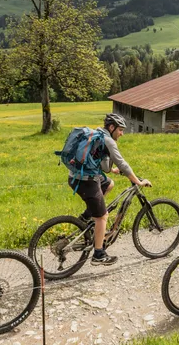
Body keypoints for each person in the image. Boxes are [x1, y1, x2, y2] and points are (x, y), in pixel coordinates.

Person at [69, 113, 152, 266]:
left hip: (76, 177)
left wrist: (112, 171)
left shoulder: (98, 134)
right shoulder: (109, 140)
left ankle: (87, 217)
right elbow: (123, 164)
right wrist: (138, 182)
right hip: (87, 181)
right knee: (102, 216)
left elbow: (103, 165)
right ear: (112, 127)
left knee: (109, 184)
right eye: (120, 130)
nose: (122, 133)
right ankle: (99, 254)